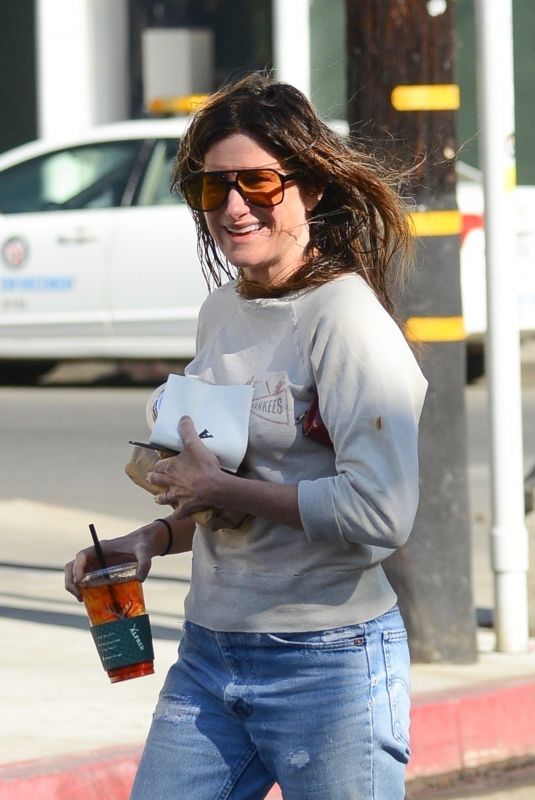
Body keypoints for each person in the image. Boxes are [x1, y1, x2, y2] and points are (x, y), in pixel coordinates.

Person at [65, 73, 427, 800]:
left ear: (310, 189)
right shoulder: (222, 310)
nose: (233, 207)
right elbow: (223, 493)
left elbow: (381, 515)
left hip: (328, 661)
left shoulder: (344, 321)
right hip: (210, 650)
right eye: (212, 188)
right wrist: (154, 539)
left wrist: (221, 487)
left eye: (257, 184)